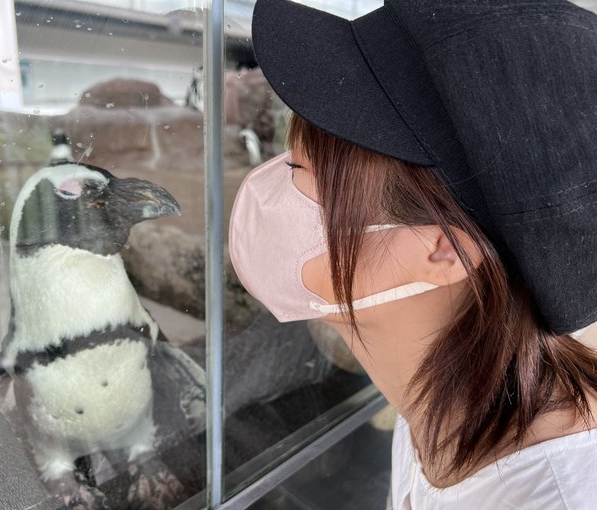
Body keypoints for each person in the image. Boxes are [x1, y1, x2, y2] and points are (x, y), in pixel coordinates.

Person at [228, 0, 597, 508]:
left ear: (443, 250)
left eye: (298, 170)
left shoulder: (559, 495)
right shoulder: (440, 397)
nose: (266, 185)